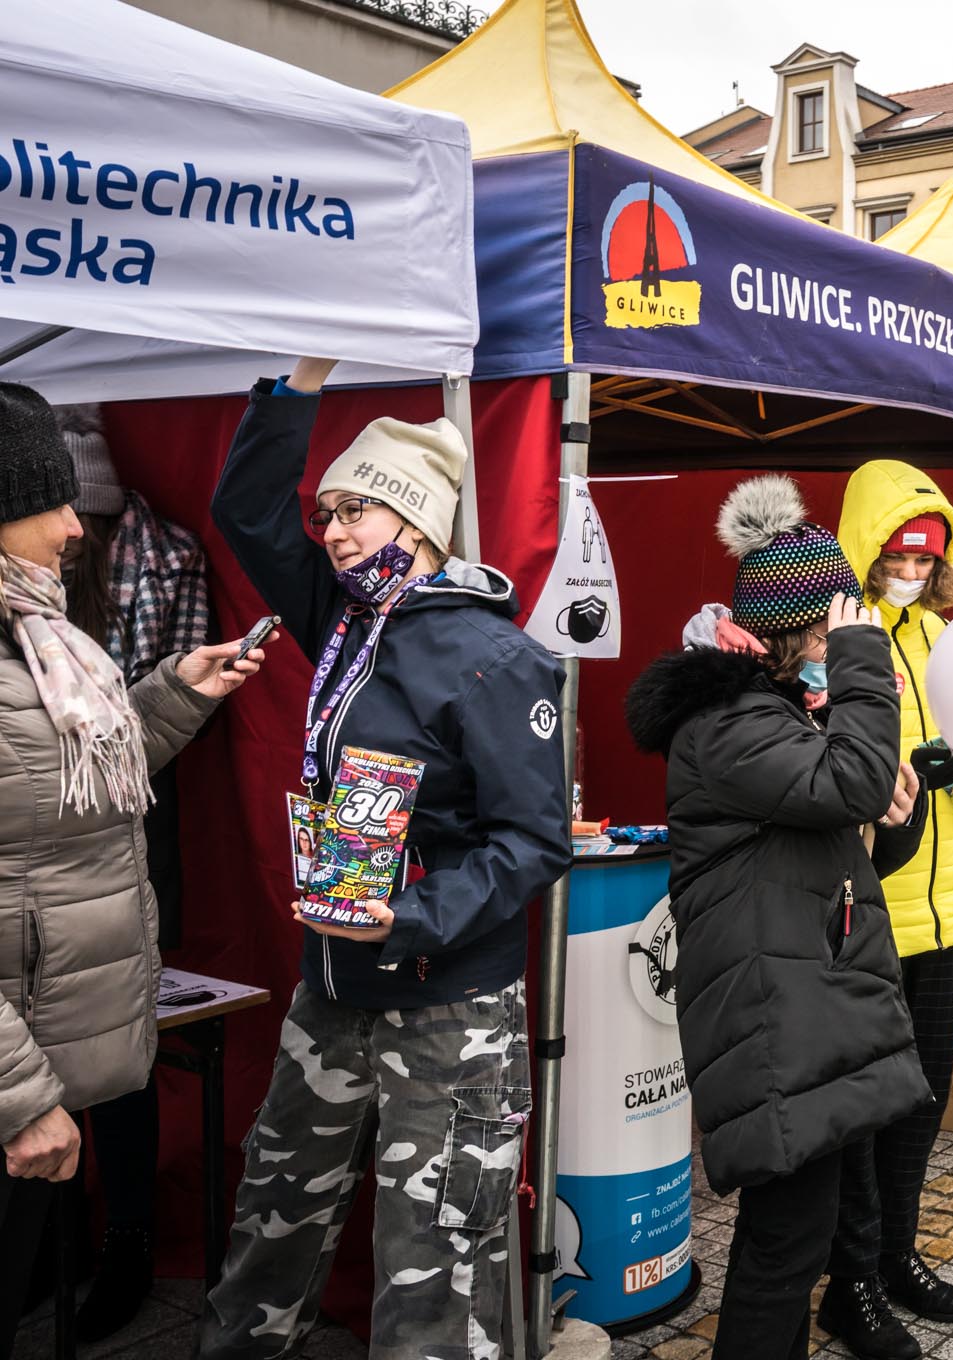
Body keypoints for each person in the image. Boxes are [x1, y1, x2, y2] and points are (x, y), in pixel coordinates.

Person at [200, 359, 571, 1359]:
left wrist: (409, 918)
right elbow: (244, 509)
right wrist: (297, 385)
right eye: (327, 513)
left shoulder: (497, 659)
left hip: (450, 1010)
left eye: (356, 510)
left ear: (418, 523)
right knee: (269, 1232)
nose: (332, 531)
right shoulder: (347, 623)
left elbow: (531, 841)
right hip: (332, 989)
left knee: (435, 1279)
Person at [624, 475, 928, 1359]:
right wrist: (868, 673)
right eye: (839, 626)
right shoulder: (726, 719)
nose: (851, 638)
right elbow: (848, 782)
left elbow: (843, 827)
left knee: (795, 1234)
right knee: (782, 1245)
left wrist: (886, 812)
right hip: (771, 1009)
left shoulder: (780, 711)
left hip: (800, 999)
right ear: (802, 633)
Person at [0, 382, 262, 1356]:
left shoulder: (40, 635)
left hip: (64, 1005)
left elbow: (70, 782)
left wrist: (164, 699)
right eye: (48, 502)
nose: (74, 526)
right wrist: (23, 1100)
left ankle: (93, 1255)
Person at [826, 460, 953, 1354]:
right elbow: (819, 777)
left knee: (925, 1098)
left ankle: (897, 1256)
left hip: (949, 910)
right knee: (866, 1106)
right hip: (868, 911)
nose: (912, 569)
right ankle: (849, 1284)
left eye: (926, 558)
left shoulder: (942, 633)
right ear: (868, 547)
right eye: (898, 553)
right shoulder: (834, 635)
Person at [55, 402, 215, 1341]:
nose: (75, 536)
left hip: (127, 829)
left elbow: (176, 722)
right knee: (37, 1048)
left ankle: (126, 1242)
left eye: (87, 517)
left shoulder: (166, 556)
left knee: (118, 1050)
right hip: (35, 838)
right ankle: (54, 1242)